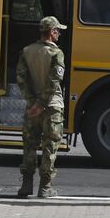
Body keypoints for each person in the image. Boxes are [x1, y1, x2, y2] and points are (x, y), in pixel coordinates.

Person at [16, 15, 68, 198]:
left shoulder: (26, 51)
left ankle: (26, 185)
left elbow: (21, 79)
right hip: (52, 106)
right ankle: (45, 187)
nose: (59, 34)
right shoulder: (56, 53)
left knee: (29, 145)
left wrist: (32, 103)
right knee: (50, 145)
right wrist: (42, 104)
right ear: (52, 32)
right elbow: (55, 81)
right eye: (58, 31)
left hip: (31, 108)